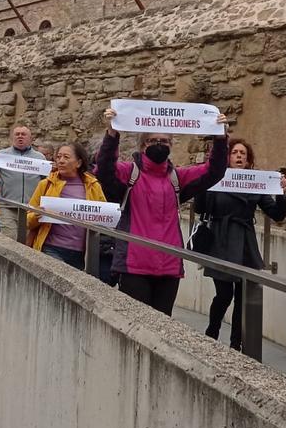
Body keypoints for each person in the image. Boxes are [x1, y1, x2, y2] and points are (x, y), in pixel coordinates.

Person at [96, 106, 229, 315]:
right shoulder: (129, 172)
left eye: (165, 141)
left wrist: (220, 139)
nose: (159, 144)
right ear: (142, 145)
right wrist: (112, 134)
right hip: (134, 265)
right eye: (153, 141)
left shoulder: (177, 178)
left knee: (163, 324)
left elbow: (214, 171)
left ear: (171, 145)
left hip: (169, 266)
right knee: (137, 324)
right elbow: (103, 170)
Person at [191, 138, 286, 349]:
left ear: (248, 159)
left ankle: (236, 343)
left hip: (245, 242)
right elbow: (200, 208)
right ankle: (212, 332)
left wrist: (282, 194)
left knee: (242, 296)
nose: (239, 156)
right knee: (224, 294)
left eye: (243, 154)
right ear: (227, 157)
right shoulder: (216, 179)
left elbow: (276, 213)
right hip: (220, 241)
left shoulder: (256, 183)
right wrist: (202, 184)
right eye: (235, 152)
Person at [27, 143, 106, 269]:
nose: (61, 161)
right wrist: (37, 215)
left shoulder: (93, 186)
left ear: (79, 163)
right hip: (51, 247)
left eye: (66, 157)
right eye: (58, 157)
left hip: (80, 253)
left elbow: (103, 216)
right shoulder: (45, 184)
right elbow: (28, 220)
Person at [0, 125, 47, 240]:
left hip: (31, 209)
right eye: (17, 134)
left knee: (27, 245)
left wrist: (52, 170)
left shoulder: (40, 158)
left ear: (30, 138)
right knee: (10, 241)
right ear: (12, 138)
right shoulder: (2, 155)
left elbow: (46, 182)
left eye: (23, 134)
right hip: (7, 207)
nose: (20, 137)